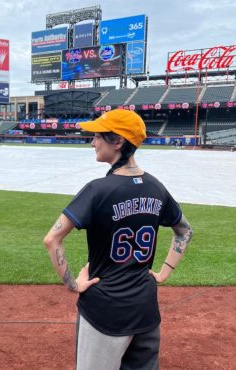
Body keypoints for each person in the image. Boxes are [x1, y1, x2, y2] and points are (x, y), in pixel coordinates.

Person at [43, 109, 193, 370]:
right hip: (146, 308)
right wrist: (164, 272)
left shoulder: (97, 190)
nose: (93, 142)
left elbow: (52, 239)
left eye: (98, 136)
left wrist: (73, 285)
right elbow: (185, 231)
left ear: (118, 141)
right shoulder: (156, 187)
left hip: (105, 311)